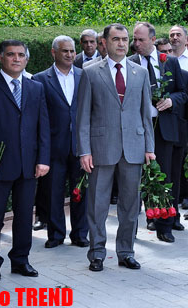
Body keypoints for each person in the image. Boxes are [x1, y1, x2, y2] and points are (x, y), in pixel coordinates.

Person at [76, 23, 155, 272]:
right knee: (97, 205)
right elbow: (83, 117)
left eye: (125, 39)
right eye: (116, 39)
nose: (121, 43)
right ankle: (97, 253)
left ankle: (126, 252)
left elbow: (145, 114)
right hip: (101, 148)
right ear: (105, 42)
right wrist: (84, 150)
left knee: (130, 205)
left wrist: (149, 147)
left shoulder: (139, 73)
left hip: (133, 147)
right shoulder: (89, 72)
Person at [0, 40, 50, 282]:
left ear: (26, 59)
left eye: (20, 55)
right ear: (0, 58)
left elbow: (43, 127)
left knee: (25, 217)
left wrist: (43, 159)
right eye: (11, 55)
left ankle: (21, 260)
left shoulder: (36, 88)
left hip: (29, 165)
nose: (16, 59)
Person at [129, 22, 188, 243]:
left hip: (164, 130)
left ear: (153, 40)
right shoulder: (129, 63)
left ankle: (165, 225)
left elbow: (183, 92)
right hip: (137, 130)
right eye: (134, 39)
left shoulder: (169, 62)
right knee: (138, 177)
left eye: (140, 40)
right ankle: (139, 222)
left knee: (165, 178)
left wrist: (172, 100)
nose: (136, 44)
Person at [33, 36, 89, 249]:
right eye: (64, 51)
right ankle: (55, 235)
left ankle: (80, 235)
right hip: (53, 147)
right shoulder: (40, 79)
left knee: (80, 193)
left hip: (80, 147)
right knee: (53, 193)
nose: (69, 55)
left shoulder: (85, 76)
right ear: (53, 52)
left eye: (72, 51)